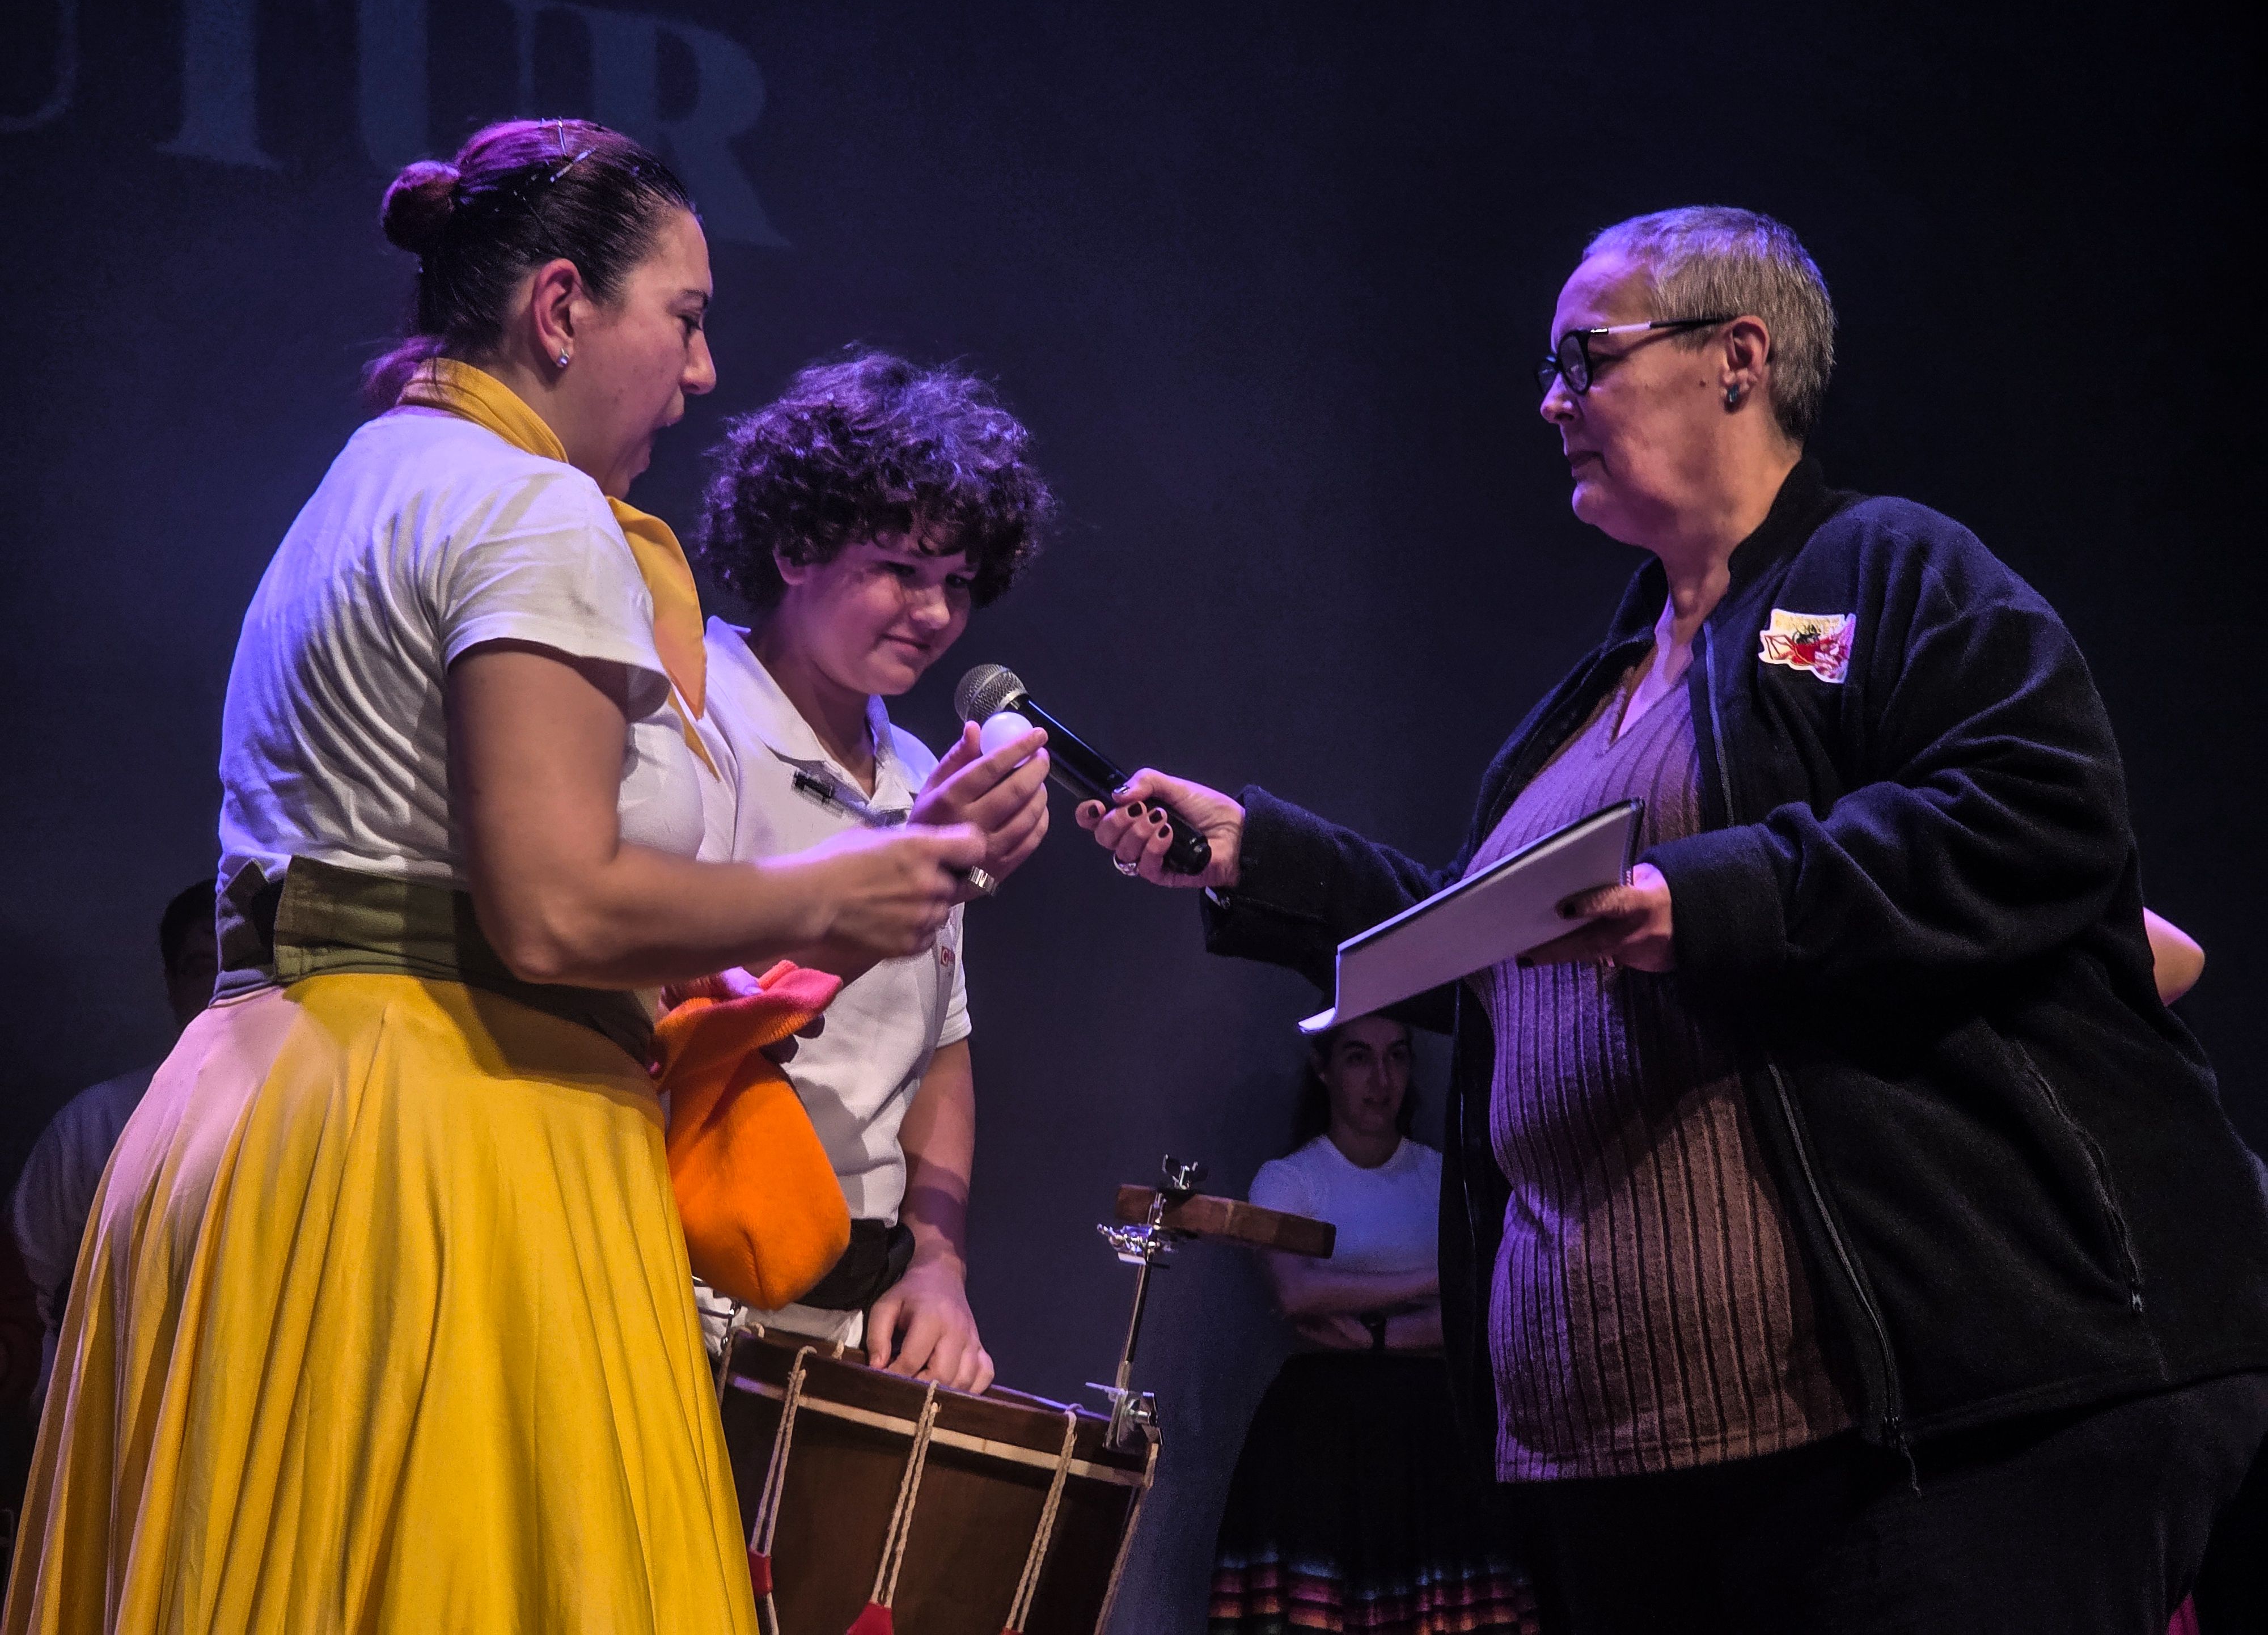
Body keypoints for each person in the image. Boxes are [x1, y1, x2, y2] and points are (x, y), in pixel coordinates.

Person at [1081, 206, 2268, 1633]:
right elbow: (1510, 952)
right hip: (1622, 1467)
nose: (1549, 399)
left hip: (1916, 1436)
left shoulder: (1886, 571)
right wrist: (1259, 856)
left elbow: (2039, 814)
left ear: (1736, 358)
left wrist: (1701, 897)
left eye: (1584, 357)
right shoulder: (1588, 701)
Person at [3, 118, 992, 1635]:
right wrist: (836, 894)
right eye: (686, 315)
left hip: (276, 1113)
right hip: (448, 1138)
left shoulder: (367, 480)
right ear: (558, 308)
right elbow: (557, 906)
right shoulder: (531, 509)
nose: (705, 369)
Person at [688, 350, 1055, 1391]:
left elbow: (943, 1045)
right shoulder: (694, 718)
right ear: (796, 547)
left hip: (857, 1314)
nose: (935, 615)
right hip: (694, 1284)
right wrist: (906, 876)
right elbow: (686, 1027)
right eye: (900, 569)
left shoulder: (917, 775)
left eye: (958, 585)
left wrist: (939, 1263)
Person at [1210, 1015, 1537, 1634]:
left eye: (1397, 1057)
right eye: (1359, 1058)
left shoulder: (1443, 1178)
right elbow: (1299, 1292)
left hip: (1436, 1427)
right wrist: (1440, 1278)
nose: (1380, 1080)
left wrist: (1378, 1333)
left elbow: (1485, 1315)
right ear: (1325, 1069)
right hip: (1324, 1431)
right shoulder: (1289, 1179)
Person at [10, 883, 217, 1412]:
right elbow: (18, 1298)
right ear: (171, 983)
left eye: (238, 966)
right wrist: (84, 1412)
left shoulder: (316, 1124)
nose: (221, 990)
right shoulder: (97, 1124)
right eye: (200, 967)